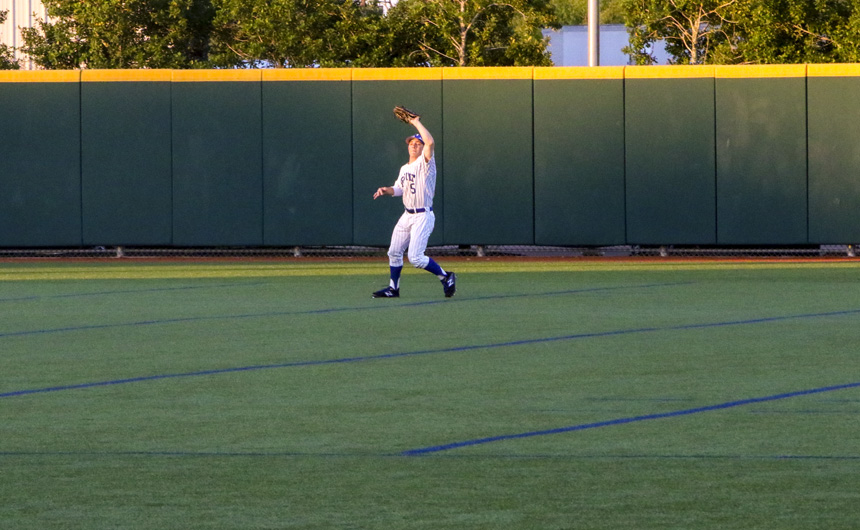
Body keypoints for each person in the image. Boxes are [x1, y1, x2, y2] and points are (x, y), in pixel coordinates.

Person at [371, 114, 456, 299]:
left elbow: (430, 142)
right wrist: (387, 190)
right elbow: (399, 189)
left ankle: (446, 276)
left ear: (422, 148)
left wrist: (415, 122)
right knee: (394, 252)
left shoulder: (426, 164)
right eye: (411, 143)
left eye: (417, 143)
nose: (413, 145)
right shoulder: (404, 168)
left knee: (416, 258)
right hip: (407, 215)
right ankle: (393, 289)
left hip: (422, 215)